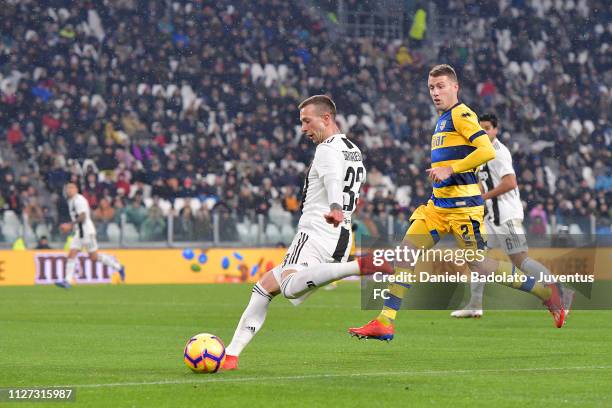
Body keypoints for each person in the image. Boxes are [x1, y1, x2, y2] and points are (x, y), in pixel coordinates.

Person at [348, 65, 568, 341]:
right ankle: (385, 321)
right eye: (431, 87)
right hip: (438, 206)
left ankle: (546, 292)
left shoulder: (462, 114)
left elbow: (486, 150)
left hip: (464, 209)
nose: (435, 92)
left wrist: (451, 169)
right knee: (406, 253)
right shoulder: (441, 120)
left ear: (455, 87)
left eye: (441, 86)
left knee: (481, 265)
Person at [221, 95, 392, 370]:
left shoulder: (326, 149)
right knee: (264, 287)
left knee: (289, 288)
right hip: (340, 234)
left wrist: (335, 206)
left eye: (306, 121)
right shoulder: (353, 149)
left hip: (317, 229)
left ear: (326, 118)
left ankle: (358, 266)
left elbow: (333, 179)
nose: (303, 128)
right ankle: (230, 355)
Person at [451, 113, 574, 318]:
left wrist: (483, 197)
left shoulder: (499, 153)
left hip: (507, 216)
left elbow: (510, 183)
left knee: (520, 260)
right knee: (475, 257)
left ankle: (561, 292)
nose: (484, 131)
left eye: (488, 128)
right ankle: (474, 305)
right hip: (491, 218)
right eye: (481, 128)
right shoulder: (481, 152)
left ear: (496, 130)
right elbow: (483, 181)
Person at [55, 183, 125, 288]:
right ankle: (67, 281)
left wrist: (70, 225)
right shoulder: (71, 201)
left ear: (76, 189)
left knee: (94, 257)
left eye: (71, 188)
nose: (68, 190)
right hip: (79, 232)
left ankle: (118, 266)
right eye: (67, 188)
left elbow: (83, 216)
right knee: (72, 254)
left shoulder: (79, 200)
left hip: (87, 232)